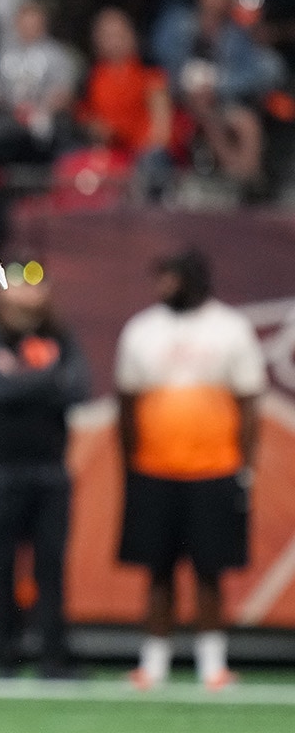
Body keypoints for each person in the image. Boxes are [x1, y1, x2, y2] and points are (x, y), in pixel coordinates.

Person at [116, 249, 265, 691]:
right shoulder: (141, 330)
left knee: (210, 570)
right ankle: (153, 665)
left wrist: (247, 468)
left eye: (171, 278)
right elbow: (126, 403)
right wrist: (131, 464)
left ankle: (213, 666)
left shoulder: (231, 328)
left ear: (193, 279)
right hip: (154, 469)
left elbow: (250, 403)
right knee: (157, 570)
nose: (164, 287)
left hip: (216, 469)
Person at [0, 269, 89, 678]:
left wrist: (18, 379)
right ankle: (6, 654)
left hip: (49, 474)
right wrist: (43, 380)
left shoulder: (62, 339)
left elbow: (78, 388)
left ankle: (53, 656)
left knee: (50, 568)